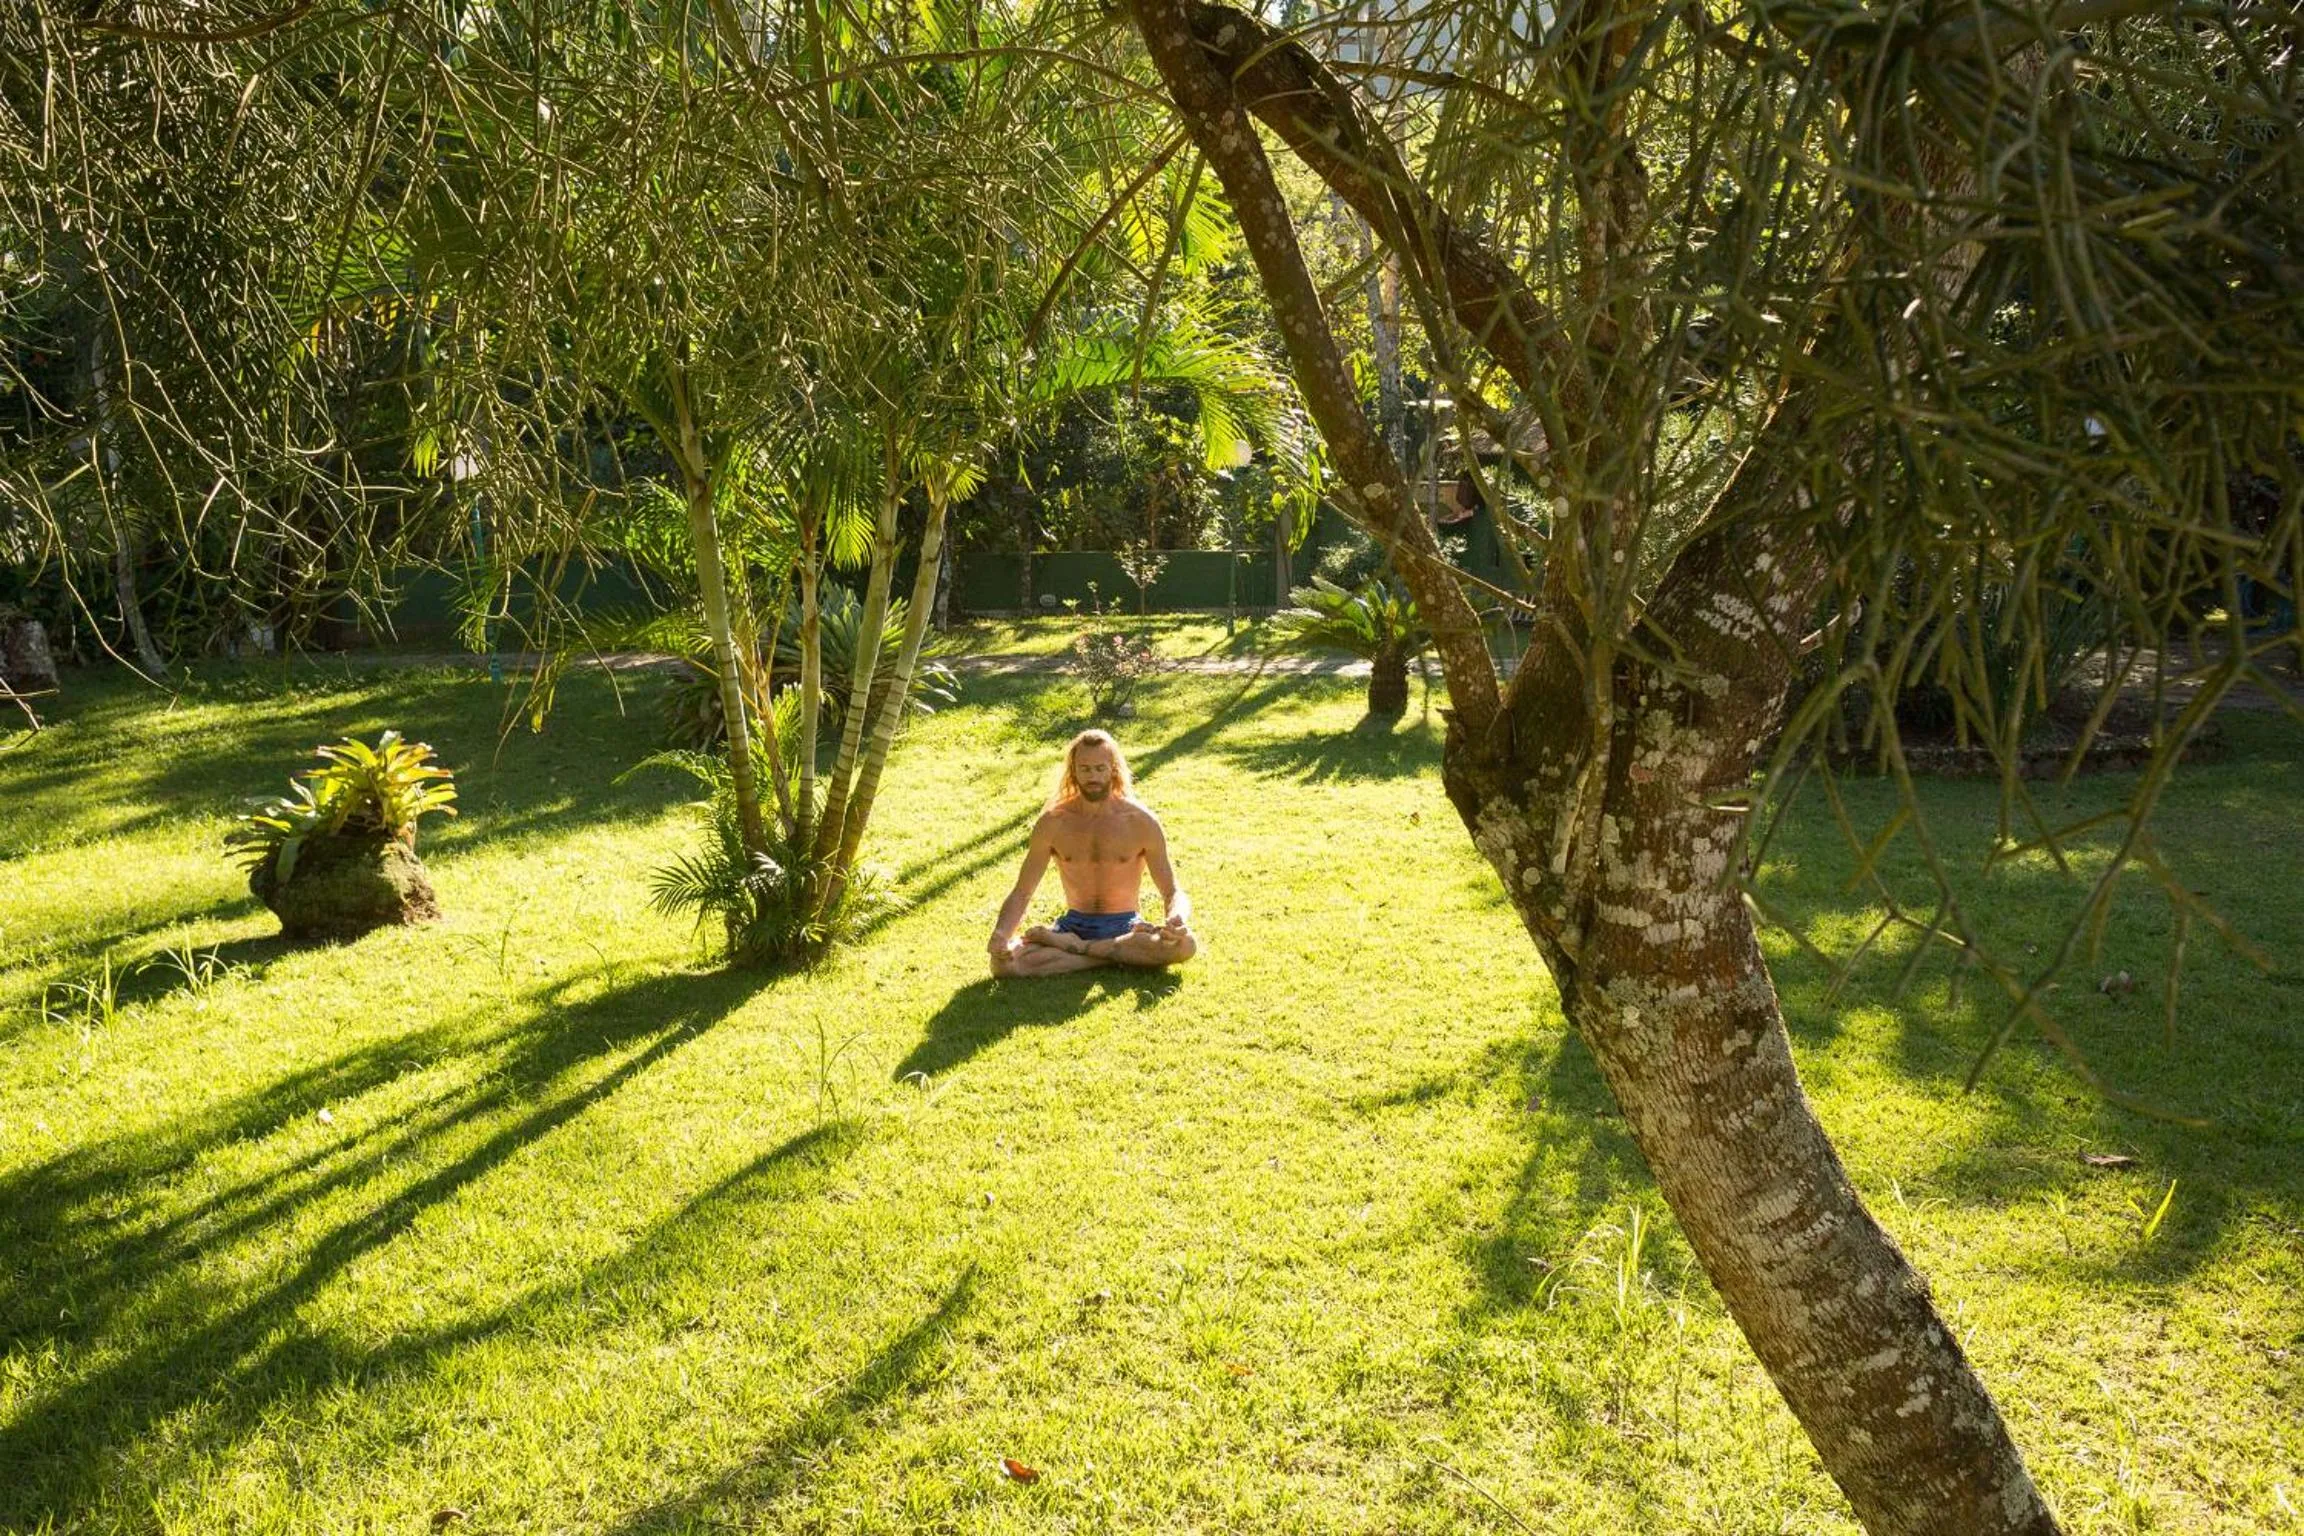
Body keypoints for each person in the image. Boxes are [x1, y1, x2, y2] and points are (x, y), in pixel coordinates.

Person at [987, 729, 1198, 978]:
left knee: (1186, 946)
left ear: (1114, 769)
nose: (1092, 776)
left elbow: (1172, 891)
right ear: (1073, 771)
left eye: (1100, 768)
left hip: (1124, 925)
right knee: (1002, 965)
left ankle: (1075, 949)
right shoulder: (1054, 822)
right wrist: (1001, 934)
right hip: (1075, 924)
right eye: (1085, 769)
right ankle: (1114, 955)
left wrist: (1176, 917)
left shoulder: (1141, 821)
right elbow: (1022, 892)